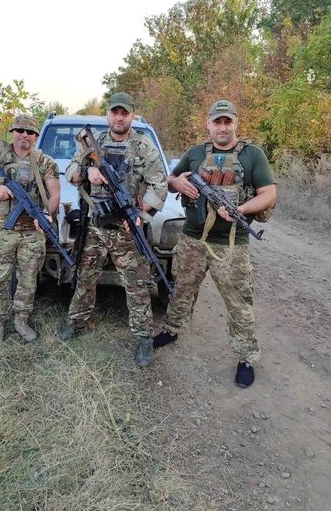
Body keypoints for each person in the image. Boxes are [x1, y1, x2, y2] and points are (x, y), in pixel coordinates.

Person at [153, 100, 276, 387]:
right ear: (208, 124)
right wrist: (178, 184)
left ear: (235, 123)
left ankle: (245, 357)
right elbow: (170, 180)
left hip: (232, 245)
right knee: (181, 289)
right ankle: (171, 329)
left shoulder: (253, 154)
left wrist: (240, 210)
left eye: (227, 122)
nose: (222, 127)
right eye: (217, 122)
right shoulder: (195, 153)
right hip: (192, 238)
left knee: (238, 302)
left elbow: (269, 194)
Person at [57, 92, 167, 368]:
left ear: (132, 116)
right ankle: (76, 322)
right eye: (115, 112)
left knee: (138, 285)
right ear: (108, 114)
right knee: (84, 277)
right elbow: (70, 170)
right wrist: (87, 173)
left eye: (124, 113)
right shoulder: (94, 143)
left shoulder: (144, 147)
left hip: (126, 229)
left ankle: (144, 337)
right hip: (94, 226)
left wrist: (141, 214)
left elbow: (159, 186)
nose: (119, 118)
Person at [0, 115, 60, 350]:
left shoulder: (45, 162)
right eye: (20, 130)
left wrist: (47, 214)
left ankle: (21, 321)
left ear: (36, 136)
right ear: (12, 132)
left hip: (32, 233)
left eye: (30, 132)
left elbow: (55, 194)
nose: (24, 135)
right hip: (3, 232)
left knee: (28, 280)